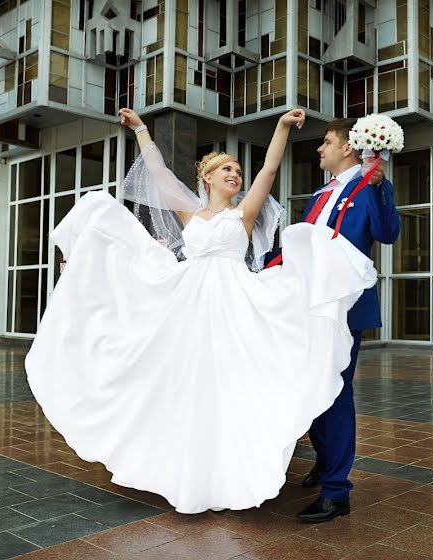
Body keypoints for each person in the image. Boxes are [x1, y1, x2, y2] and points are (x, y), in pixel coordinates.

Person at [24, 108, 378, 515]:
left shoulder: (243, 214)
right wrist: (141, 130)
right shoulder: (189, 213)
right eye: (227, 168)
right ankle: (182, 465)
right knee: (182, 383)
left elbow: (270, 167)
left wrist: (281, 127)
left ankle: (231, 467)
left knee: (228, 386)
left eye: (238, 171)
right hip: (188, 303)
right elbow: (158, 174)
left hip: (232, 305)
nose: (236, 175)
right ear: (207, 177)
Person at [290, 118, 400, 523]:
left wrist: (379, 186)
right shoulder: (320, 195)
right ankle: (325, 458)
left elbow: (388, 233)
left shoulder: (367, 185)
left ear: (349, 148)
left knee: (335, 393)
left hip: (345, 308)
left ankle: (337, 492)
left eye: (326, 142)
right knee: (309, 387)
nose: (320, 149)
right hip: (308, 306)